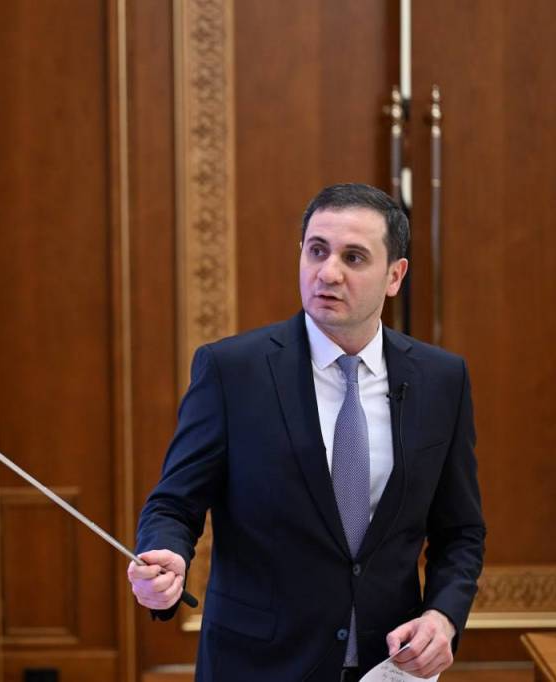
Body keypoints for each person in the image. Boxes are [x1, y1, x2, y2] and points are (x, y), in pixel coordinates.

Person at [128, 183, 485, 681]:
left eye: (353, 257)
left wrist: (443, 615)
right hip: (257, 664)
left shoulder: (441, 380)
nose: (328, 273)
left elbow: (460, 531)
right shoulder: (232, 371)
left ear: (395, 276)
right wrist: (165, 554)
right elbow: (173, 504)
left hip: (388, 662)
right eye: (317, 251)